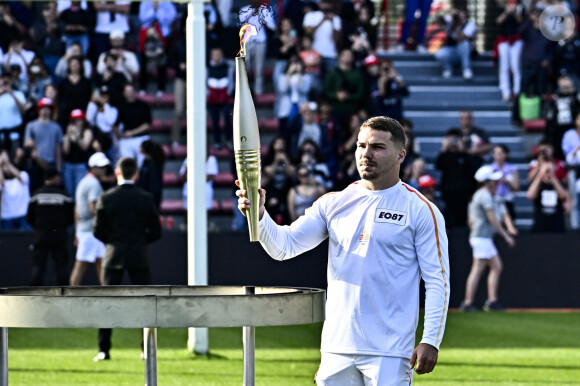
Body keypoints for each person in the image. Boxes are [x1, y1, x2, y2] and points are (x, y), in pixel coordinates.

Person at [236, 116, 450, 384]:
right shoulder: (334, 202)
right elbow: (284, 247)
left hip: (390, 351)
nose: (366, 154)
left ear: (400, 155)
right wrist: (259, 214)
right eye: (361, 146)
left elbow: (437, 281)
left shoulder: (421, 210)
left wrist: (430, 339)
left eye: (377, 147)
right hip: (337, 347)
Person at [92, 157, 162, 361]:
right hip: (139, 256)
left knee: (106, 304)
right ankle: (146, 350)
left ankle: (103, 350)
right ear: (136, 174)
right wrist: (139, 241)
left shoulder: (106, 197)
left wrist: (114, 242)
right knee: (146, 304)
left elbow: (97, 230)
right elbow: (156, 232)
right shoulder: (145, 198)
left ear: (117, 173)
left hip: (113, 256)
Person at [460, 165, 517, 312]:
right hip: (482, 237)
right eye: (492, 179)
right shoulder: (484, 195)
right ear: (487, 181)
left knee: (495, 266)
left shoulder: (481, 194)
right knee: (478, 269)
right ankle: (468, 303)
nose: (495, 182)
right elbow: (492, 218)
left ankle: (491, 301)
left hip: (482, 237)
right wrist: (505, 235)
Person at [26, 168, 74, 286]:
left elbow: (29, 217)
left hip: (40, 235)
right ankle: (64, 295)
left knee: (37, 267)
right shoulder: (64, 196)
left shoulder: (36, 195)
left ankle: (34, 296)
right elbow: (71, 217)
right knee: (61, 267)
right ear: (55, 178)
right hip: (59, 235)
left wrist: (39, 227)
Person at [69, 152, 110, 286]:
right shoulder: (93, 184)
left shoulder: (84, 182)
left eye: (105, 166)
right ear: (92, 167)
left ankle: (106, 296)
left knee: (101, 263)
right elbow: (93, 208)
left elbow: (76, 208)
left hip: (86, 231)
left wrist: (77, 231)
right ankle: (71, 297)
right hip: (91, 231)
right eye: (100, 166)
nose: (104, 169)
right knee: (81, 265)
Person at [436, 128, 479, 227]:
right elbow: (438, 165)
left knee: (461, 217)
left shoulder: (464, 156)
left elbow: (473, 167)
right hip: (448, 190)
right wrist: (444, 148)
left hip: (462, 191)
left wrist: (463, 150)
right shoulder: (445, 155)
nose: (454, 143)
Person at [527, 142, 570, 232]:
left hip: (557, 222)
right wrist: (540, 175)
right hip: (540, 221)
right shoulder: (538, 182)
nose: (547, 170)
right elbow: (530, 195)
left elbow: (563, 196)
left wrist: (553, 178)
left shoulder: (559, 182)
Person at [238, 0, 276, 95]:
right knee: (245, 66)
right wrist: (252, 14)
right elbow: (241, 25)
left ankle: (258, 90)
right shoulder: (244, 10)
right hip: (248, 41)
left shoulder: (265, 11)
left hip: (260, 41)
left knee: (259, 67)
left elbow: (272, 27)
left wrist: (262, 18)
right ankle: (244, 89)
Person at [113, 83, 152, 167]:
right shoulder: (122, 107)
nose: (129, 94)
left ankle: (142, 176)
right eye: (127, 92)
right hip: (127, 139)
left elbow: (147, 125)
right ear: (124, 93)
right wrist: (119, 135)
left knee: (142, 161)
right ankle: (128, 176)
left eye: (131, 91)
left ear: (135, 92)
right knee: (126, 160)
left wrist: (133, 132)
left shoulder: (143, 106)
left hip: (141, 138)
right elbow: (115, 125)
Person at [303, 0, 342, 77]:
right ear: (319, 3)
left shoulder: (336, 18)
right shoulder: (311, 15)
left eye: (328, 2)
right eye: (324, 2)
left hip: (331, 55)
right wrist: (321, 21)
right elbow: (307, 33)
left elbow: (336, 38)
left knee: (331, 80)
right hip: (314, 53)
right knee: (313, 80)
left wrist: (332, 22)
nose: (326, 5)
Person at [434, 9, 476, 80]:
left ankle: (466, 69)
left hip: (465, 53)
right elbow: (439, 19)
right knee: (439, 54)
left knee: (464, 44)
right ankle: (448, 69)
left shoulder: (470, 25)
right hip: (453, 51)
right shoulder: (451, 22)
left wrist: (456, 27)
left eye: (462, 16)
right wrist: (447, 14)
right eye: (458, 16)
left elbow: (461, 38)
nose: (460, 18)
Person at [23, 98, 63, 171]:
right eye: (43, 108)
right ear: (39, 110)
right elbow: (26, 143)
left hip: (51, 163)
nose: (45, 110)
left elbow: (58, 149)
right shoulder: (31, 125)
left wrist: (59, 169)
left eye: (47, 108)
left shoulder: (56, 127)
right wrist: (30, 146)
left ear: (51, 110)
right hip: (35, 162)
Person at [495, 0, 523, 102]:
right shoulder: (501, 8)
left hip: (516, 41)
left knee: (516, 66)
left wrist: (515, 12)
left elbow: (521, 22)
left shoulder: (520, 7)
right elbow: (498, 21)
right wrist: (506, 12)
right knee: (504, 67)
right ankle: (505, 92)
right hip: (504, 40)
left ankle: (517, 92)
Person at [206, 46, 233, 150]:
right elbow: (205, 82)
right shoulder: (208, 68)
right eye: (215, 54)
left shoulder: (227, 67)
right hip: (213, 99)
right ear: (211, 56)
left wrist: (227, 93)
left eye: (218, 54)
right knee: (215, 120)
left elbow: (231, 82)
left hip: (224, 98)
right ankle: (217, 141)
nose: (217, 56)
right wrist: (208, 94)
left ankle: (228, 140)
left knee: (227, 118)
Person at [62, 109, 94, 197]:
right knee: (69, 192)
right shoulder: (68, 133)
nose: (77, 122)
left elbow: (85, 147)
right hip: (69, 166)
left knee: (79, 192)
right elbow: (66, 151)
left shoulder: (87, 131)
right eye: (74, 120)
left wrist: (77, 136)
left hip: (81, 165)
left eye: (79, 119)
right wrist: (68, 136)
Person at [0, 151, 30, 230]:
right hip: (7, 218)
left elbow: (20, 176)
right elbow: (1, 185)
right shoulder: (3, 181)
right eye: (3, 166)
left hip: (23, 216)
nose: (5, 168)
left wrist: (7, 162)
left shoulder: (24, 175)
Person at [490, 144, 520, 220]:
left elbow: (516, 188)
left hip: (507, 200)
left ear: (506, 155)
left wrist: (507, 181)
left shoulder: (512, 169)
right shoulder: (489, 169)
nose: (498, 156)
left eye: (500, 153)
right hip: (494, 201)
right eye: (495, 153)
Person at [0, 71, 26, 154]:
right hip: (1, 135)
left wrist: (11, 94)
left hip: (15, 135)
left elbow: (23, 111)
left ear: (12, 81)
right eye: (3, 78)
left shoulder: (19, 94)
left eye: (8, 79)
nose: (6, 80)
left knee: (15, 161)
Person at [136, 140, 165, 209]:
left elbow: (154, 183)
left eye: (140, 146)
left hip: (150, 198)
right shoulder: (145, 162)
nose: (139, 148)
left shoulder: (153, 164)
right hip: (144, 195)